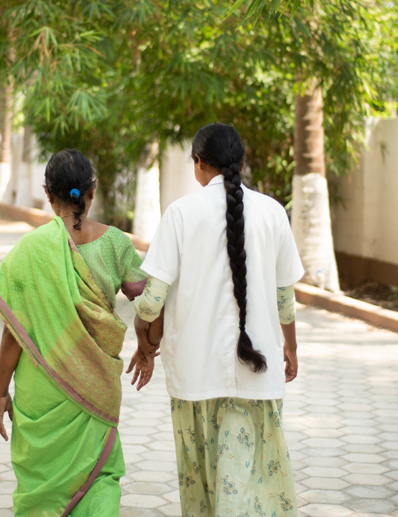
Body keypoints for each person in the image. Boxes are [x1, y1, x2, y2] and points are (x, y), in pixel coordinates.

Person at [131, 123, 304, 517]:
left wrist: (143, 336)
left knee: (203, 485)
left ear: (198, 163)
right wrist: (290, 347)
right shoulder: (273, 213)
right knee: (253, 484)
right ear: (242, 163)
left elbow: (152, 297)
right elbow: (285, 299)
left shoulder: (180, 213)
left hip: (195, 374)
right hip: (259, 370)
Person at [0, 149, 159, 517]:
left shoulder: (29, 250)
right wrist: (148, 346)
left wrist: (1, 392)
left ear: (48, 194)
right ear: (92, 190)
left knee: (42, 490)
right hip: (95, 384)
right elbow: (151, 298)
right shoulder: (115, 243)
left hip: (41, 391)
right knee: (99, 476)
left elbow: (12, 334)